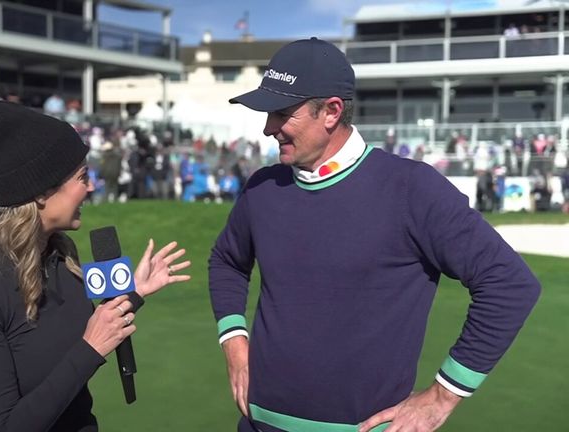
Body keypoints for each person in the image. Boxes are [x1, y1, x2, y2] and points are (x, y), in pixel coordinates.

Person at [208, 38, 541, 432]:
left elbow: (509, 284)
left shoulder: (410, 188)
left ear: (331, 111)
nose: (268, 128)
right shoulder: (262, 187)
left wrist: (442, 396)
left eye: (281, 113)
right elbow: (227, 261)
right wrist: (233, 341)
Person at [0, 90, 191, 431]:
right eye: (82, 178)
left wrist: (135, 293)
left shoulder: (61, 259)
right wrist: (90, 349)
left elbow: (73, 348)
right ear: (41, 191)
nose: (91, 188)